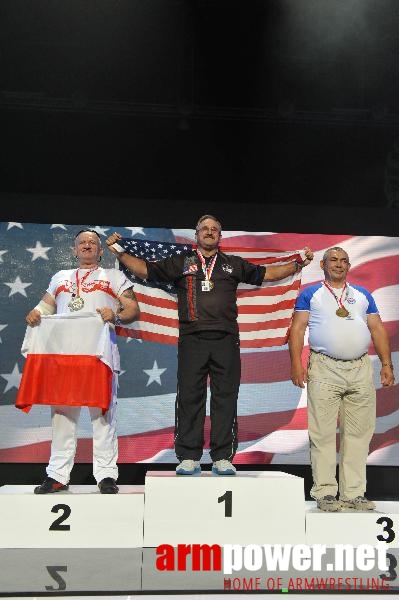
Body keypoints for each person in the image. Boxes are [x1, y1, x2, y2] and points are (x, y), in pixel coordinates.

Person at [106, 215, 313, 476]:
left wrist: (297, 263)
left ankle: (222, 457)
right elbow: (147, 270)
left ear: (220, 236)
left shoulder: (232, 264)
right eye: (204, 228)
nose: (209, 232)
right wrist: (120, 252)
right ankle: (189, 456)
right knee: (190, 397)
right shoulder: (181, 262)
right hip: (192, 340)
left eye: (214, 229)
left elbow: (267, 274)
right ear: (197, 235)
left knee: (225, 399)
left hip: (226, 340)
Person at [25, 229, 140, 494]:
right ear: (74, 250)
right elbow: (45, 307)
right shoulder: (60, 278)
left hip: (101, 356)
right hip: (65, 356)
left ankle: (106, 475)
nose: (87, 245)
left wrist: (117, 314)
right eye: (82, 242)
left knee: (103, 414)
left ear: (100, 251)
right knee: (62, 415)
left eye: (93, 243)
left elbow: (133, 310)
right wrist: (35, 313)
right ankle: (57, 474)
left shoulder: (114, 276)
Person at [289, 246, 394, 511]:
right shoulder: (311, 294)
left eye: (343, 261)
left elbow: (377, 329)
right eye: (333, 260)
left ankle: (353, 494)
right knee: (322, 433)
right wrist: (295, 364)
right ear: (323, 264)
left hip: (360, 369)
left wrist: (386, 363)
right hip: (324, 367)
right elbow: (297, 329)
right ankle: (325, 493)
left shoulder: (362, 295)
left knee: (359, 434)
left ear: (349, 266)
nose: (338, 264)